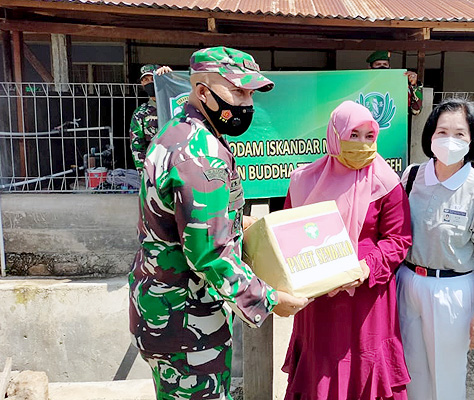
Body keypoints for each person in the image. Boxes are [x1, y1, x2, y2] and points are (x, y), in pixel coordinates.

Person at [129, 47, 310, 400]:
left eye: (250, 94)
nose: (247, 104)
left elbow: (202, 221)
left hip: (167, 311)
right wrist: (268, 300)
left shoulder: (177, 133)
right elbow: (208, 251)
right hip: (186, 322)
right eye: (237, 92)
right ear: (202, 92)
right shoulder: (200, 154)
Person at [283, 100, 412, 400]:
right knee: (320, 367)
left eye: (369, 136)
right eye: (354, 135)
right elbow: (288, 231)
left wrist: (365, 267)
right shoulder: (303, 181)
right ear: (334, 135)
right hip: (318, 300)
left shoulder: (387, 182)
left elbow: (399, 239)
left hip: (366, 299)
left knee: (365, 363)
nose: (363, 144)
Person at [397, 98, 474, 400]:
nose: (449, 140)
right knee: (409, 370)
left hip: (452, 289)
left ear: (472, 141)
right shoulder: (412, 176)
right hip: (407, 282)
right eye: (442, 132)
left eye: (460, 134)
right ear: (430, 136)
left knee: (447, 375)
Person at [129, 64, 173, 171]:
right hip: (155, 168)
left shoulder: (176, 105)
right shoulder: (141, 113)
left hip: (178, 165)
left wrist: (172, 77)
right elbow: (137, 147)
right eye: (146, 79)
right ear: (142, 83)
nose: (150, 82)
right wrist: (144, 174)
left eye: (153, 78)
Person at [366, 50, 423, 115]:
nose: (382, 66)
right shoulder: (363, 85)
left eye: (385, 64)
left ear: (389, 68)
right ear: (370, 68)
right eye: (378, 64)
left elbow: (416, 110)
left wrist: (414, 85)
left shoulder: (398, 86)